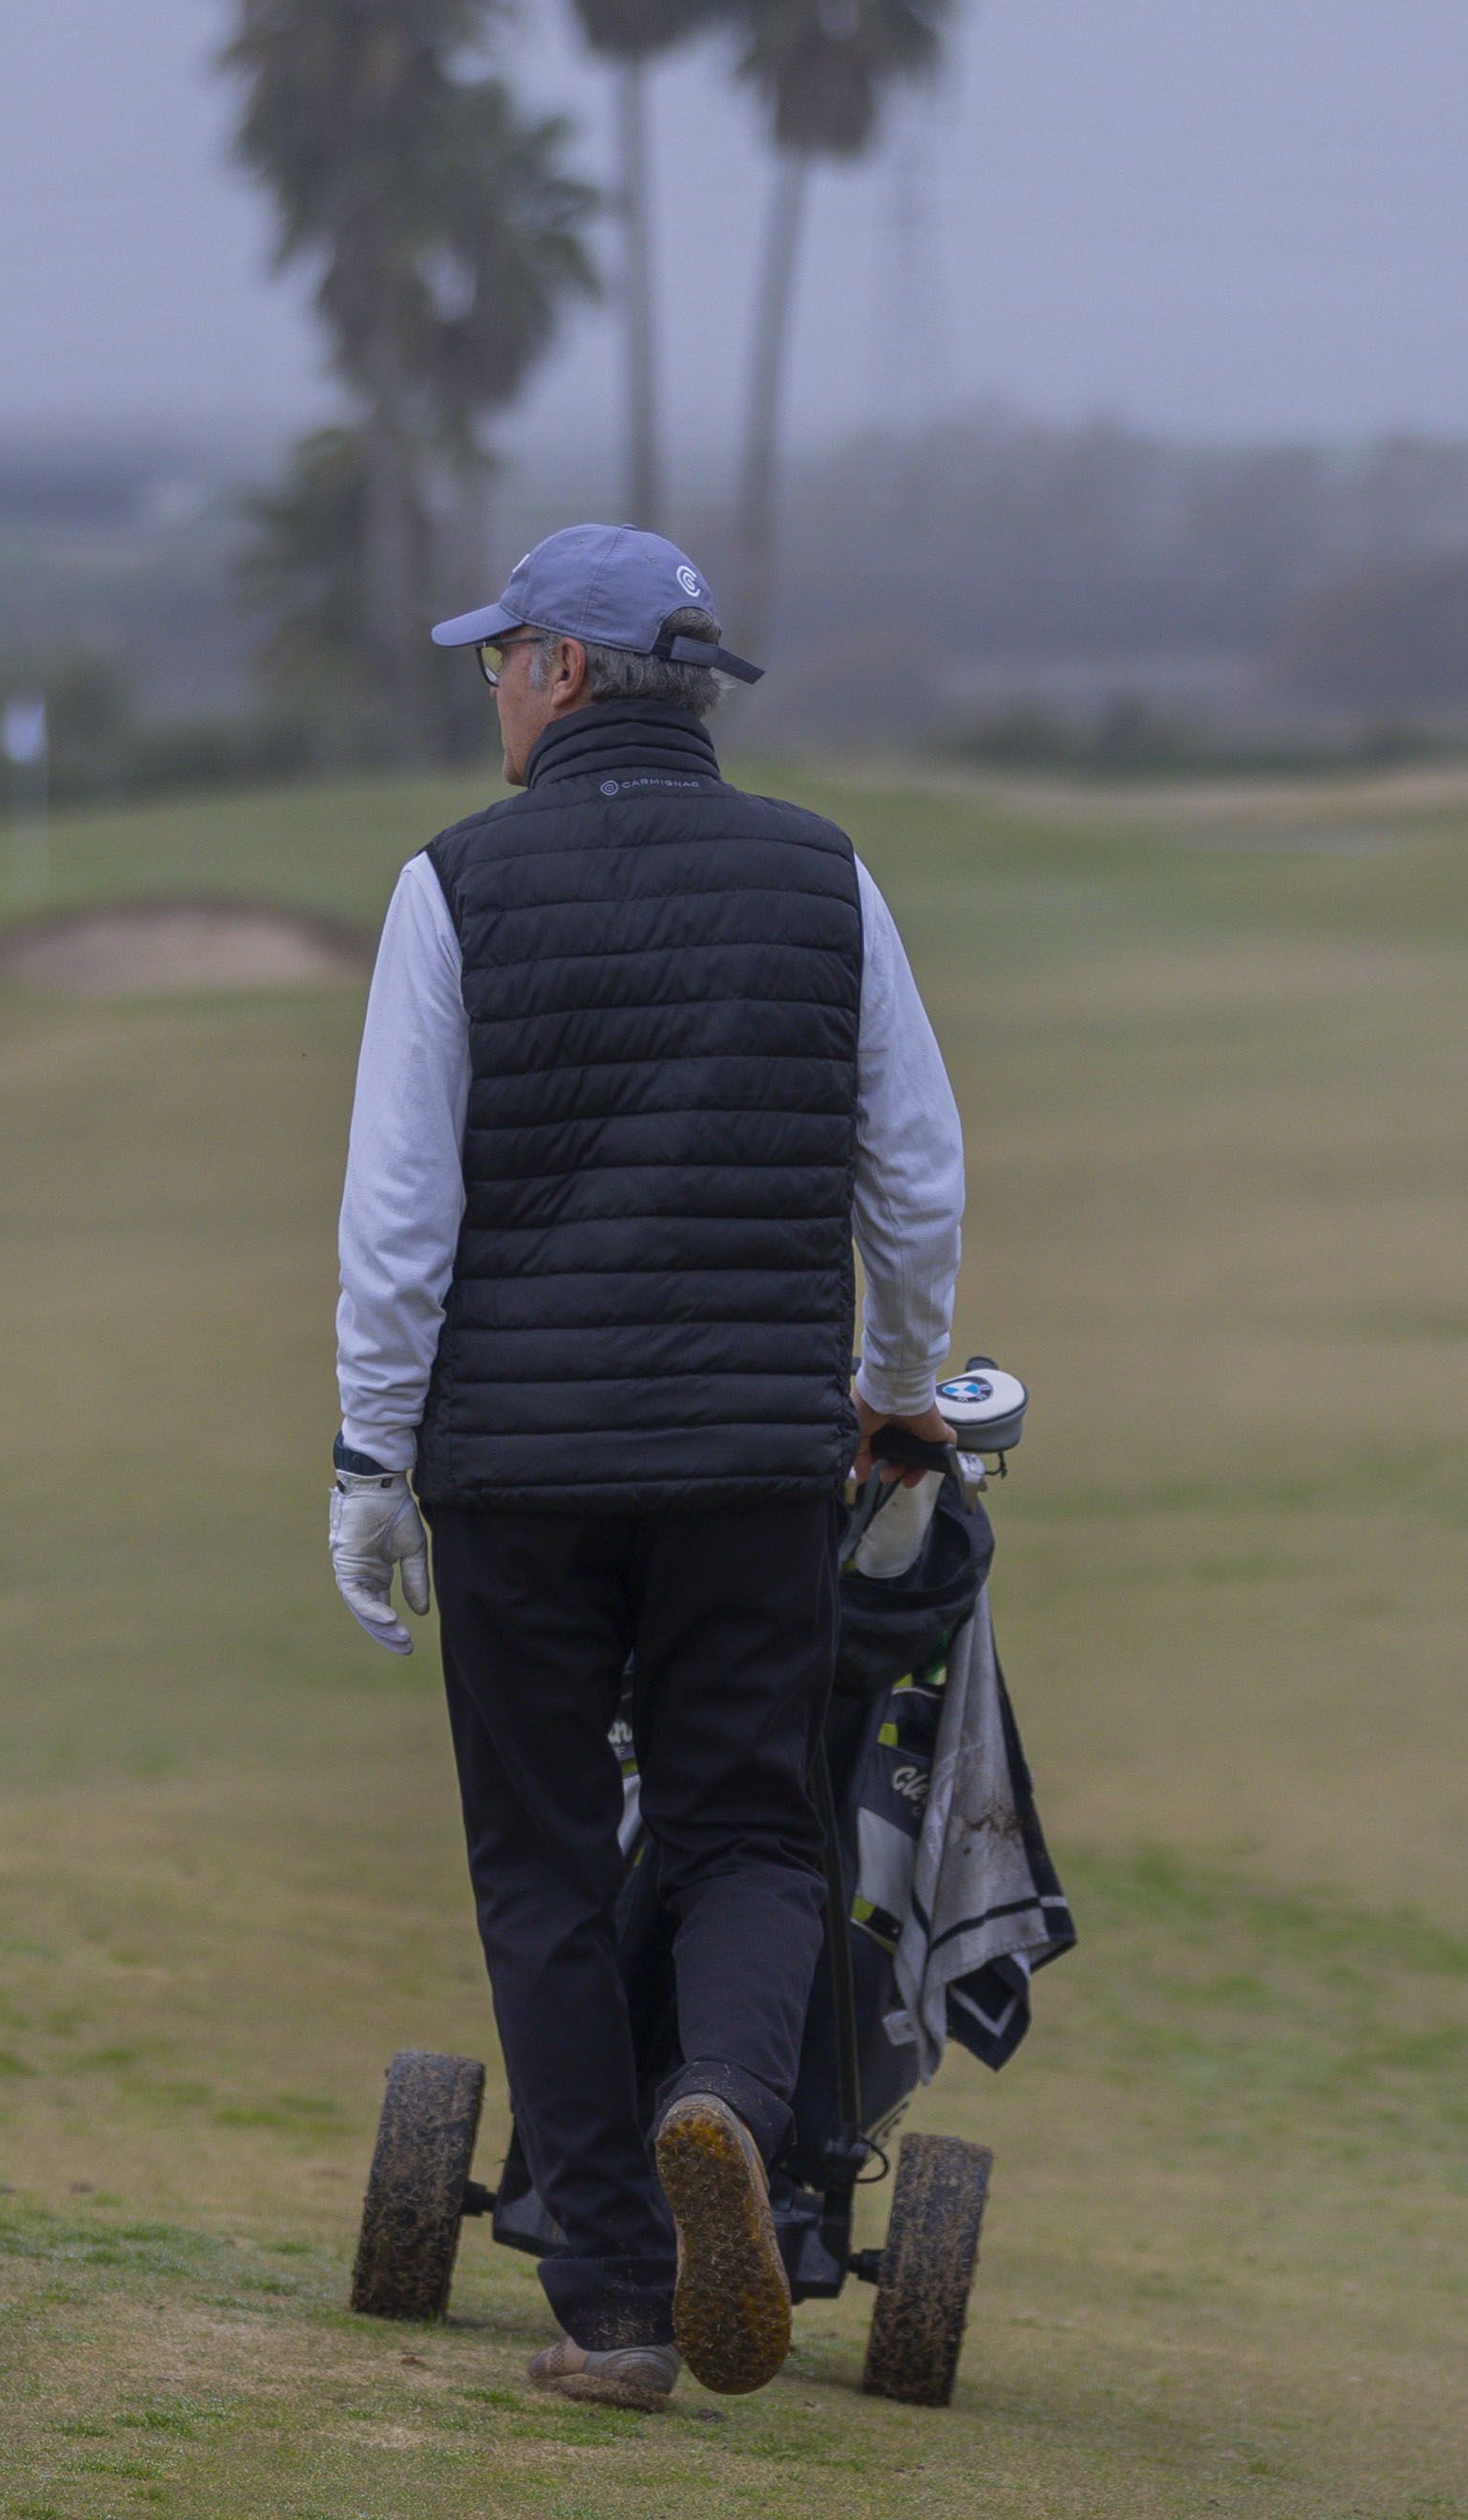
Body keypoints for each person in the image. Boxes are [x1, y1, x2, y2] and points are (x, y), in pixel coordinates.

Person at [324, 523, 967, 2413]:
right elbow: (916, 1174)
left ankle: (611, 2304)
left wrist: (373, 1461)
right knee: (749, 1833)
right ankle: (729, 2110)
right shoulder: (824, 875)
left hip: (515, 1473)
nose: (491, 687)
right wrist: (899, 1381)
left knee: (538, 1862)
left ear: (570, 675)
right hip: (753, 1465)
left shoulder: (452, 885)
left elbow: (395, 1225)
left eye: (502, 655)